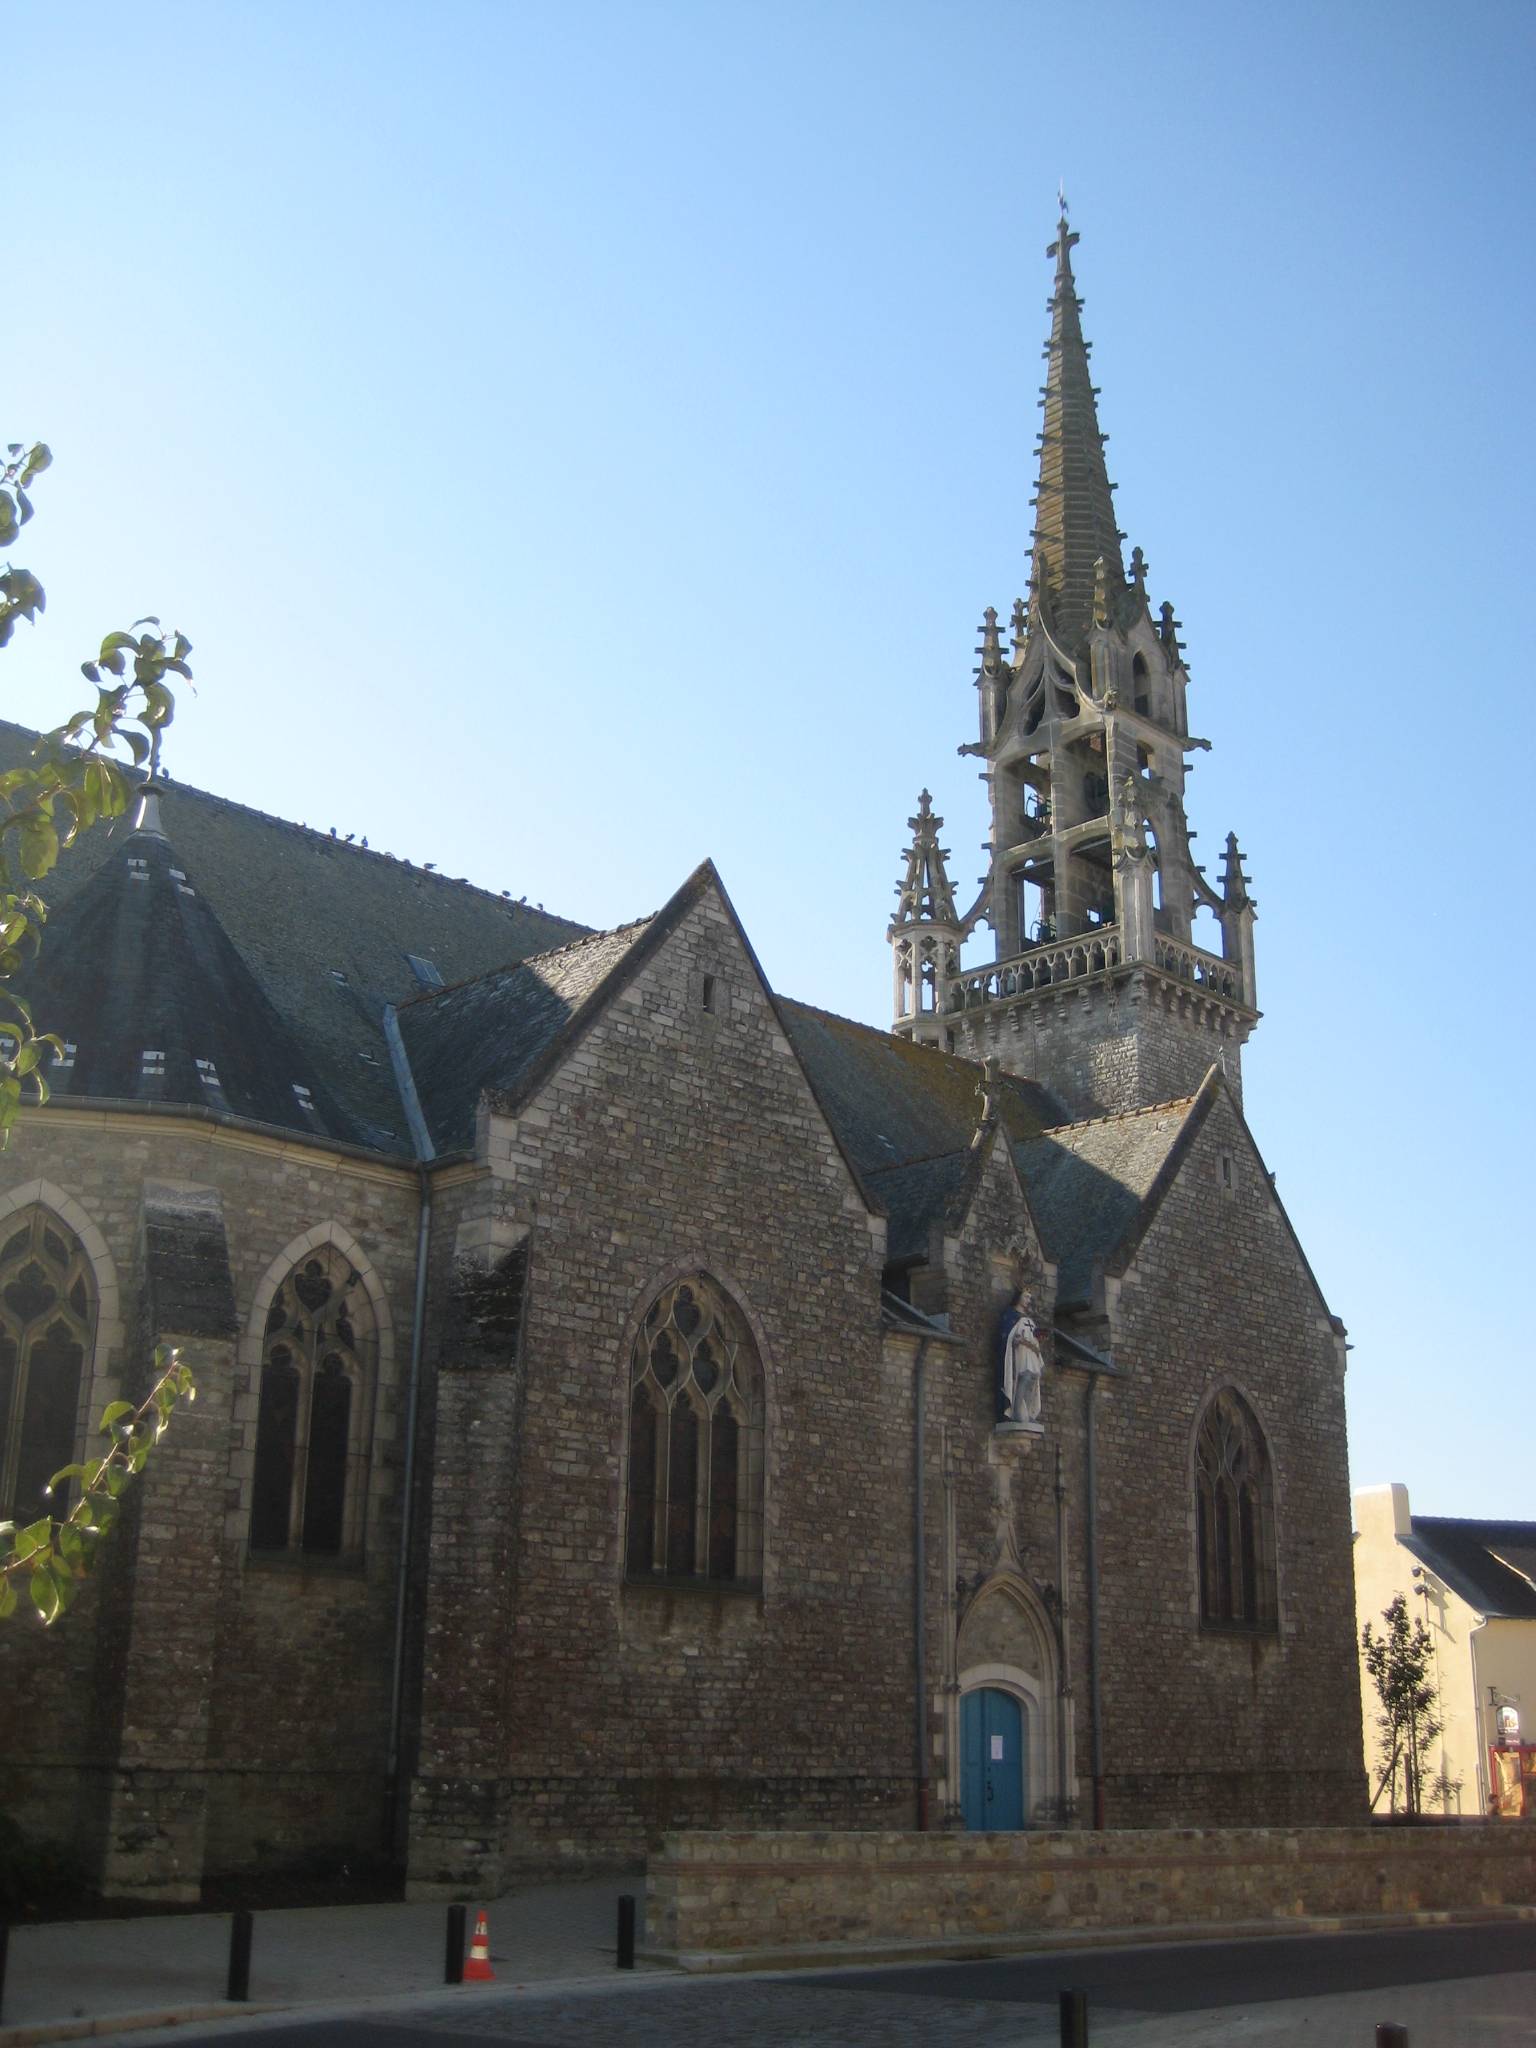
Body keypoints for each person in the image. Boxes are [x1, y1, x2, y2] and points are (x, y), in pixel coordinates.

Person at [999, 1291, 1045, 1426]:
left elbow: (1035, 1339)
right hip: (1019, 1356)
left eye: (1030, 1297)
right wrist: (1018, 1340)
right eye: (1026, 1296)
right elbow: (1007, 1337)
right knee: (1023, 1378)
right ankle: (1017, 1412)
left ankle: (1028, 1412)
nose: (1028, 1300)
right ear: (1018, 1297)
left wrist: (1037, 1340)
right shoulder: (1010, 1316)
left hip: (1031, 1355)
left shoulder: (1029, 1320)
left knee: (1032, 1379)